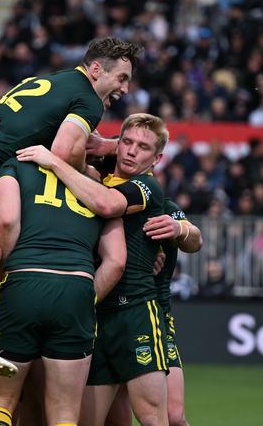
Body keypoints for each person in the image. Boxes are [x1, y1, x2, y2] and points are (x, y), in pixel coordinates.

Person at [0, 38, 142, 377]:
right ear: (95, 69)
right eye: (121, 78)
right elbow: (61, 152)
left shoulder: (57, 81)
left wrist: (101, 146)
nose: (125, 87)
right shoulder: (88, 100)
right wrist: (90, 173)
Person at [16, 113, 171, 425]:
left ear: (157, 159)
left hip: (135, 311)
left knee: (154, 417)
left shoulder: (146, 186)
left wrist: (54, 163)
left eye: (142, 147)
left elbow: (108, 205)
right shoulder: (96, 174)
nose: (131, 151)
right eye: (126, 142)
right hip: (94, 317)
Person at [0, 158, 126, 425]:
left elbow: (7, 221)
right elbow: (116, 261)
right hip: (75, 288)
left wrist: (8, 274)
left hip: (23, 281)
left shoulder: (16, 166)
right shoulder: (99, 187)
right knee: (65, 413)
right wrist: (86, 299)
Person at [105, 199, 203, 426]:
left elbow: (195, 241)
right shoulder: (107, 198)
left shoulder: (161, 204)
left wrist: (179, 228)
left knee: (174, 416)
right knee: (115, 419)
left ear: (156, 161)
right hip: (108, 313)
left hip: (154, 314)